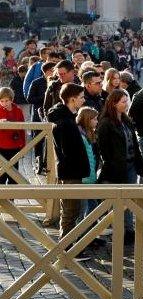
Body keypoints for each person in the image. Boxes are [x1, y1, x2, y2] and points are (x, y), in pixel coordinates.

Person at [96, 89, 143, 242]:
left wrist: (140, 164)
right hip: (116, 167)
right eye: (123, 102)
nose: (127, 104)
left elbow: (134, 144)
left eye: (127, 101)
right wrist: (110, 164)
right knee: (118, 201)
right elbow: (103, 148)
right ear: (114, 103)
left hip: (131, 164)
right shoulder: (105, 123)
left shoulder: (126, 120)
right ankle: (120, 231)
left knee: (129, 200)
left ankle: (129, 230)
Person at [50, 83, 91, 250]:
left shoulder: (66, 118)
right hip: (70, 172)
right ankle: (66, 249)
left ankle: (67, 247)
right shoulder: (65, 122)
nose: (84, 100)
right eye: (81, 97)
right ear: (72, 99)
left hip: (71, 171)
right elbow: (68, 151)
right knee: (70, 211)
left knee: (71, 210)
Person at [0, 86, 26, 184]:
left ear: (11, 100)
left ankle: (11, 199)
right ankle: (2, 199)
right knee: (1, 175)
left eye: (6, 101)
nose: (4, 103)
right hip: (1, 147)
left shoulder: (18, 111)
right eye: (1, 101)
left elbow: (22, 129)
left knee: (14, 176)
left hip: (14, 146)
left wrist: (23, 145)